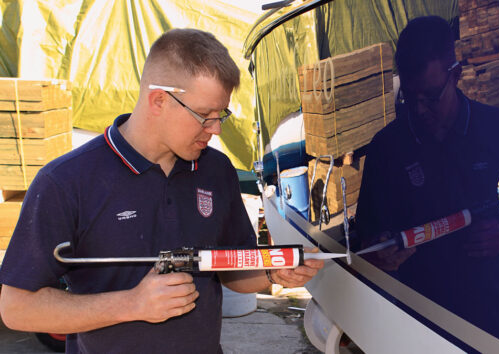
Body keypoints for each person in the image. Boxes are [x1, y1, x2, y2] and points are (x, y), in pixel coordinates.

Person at [0, 28, 323, 353]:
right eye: (205, 116)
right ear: (159, 100)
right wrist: (132, 304)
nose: (216, 129)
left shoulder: (216, 170)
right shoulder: (66, 181)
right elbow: (17, 308)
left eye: (221, 114)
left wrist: (274, 271)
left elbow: (232, 272)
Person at [354, 16, 499, 347]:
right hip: (419, 326)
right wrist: (380, 253)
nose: (419, 109)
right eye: (409, 98)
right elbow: (363, 244)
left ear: (455, 75)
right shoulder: (387, 148)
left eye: (430, 96)